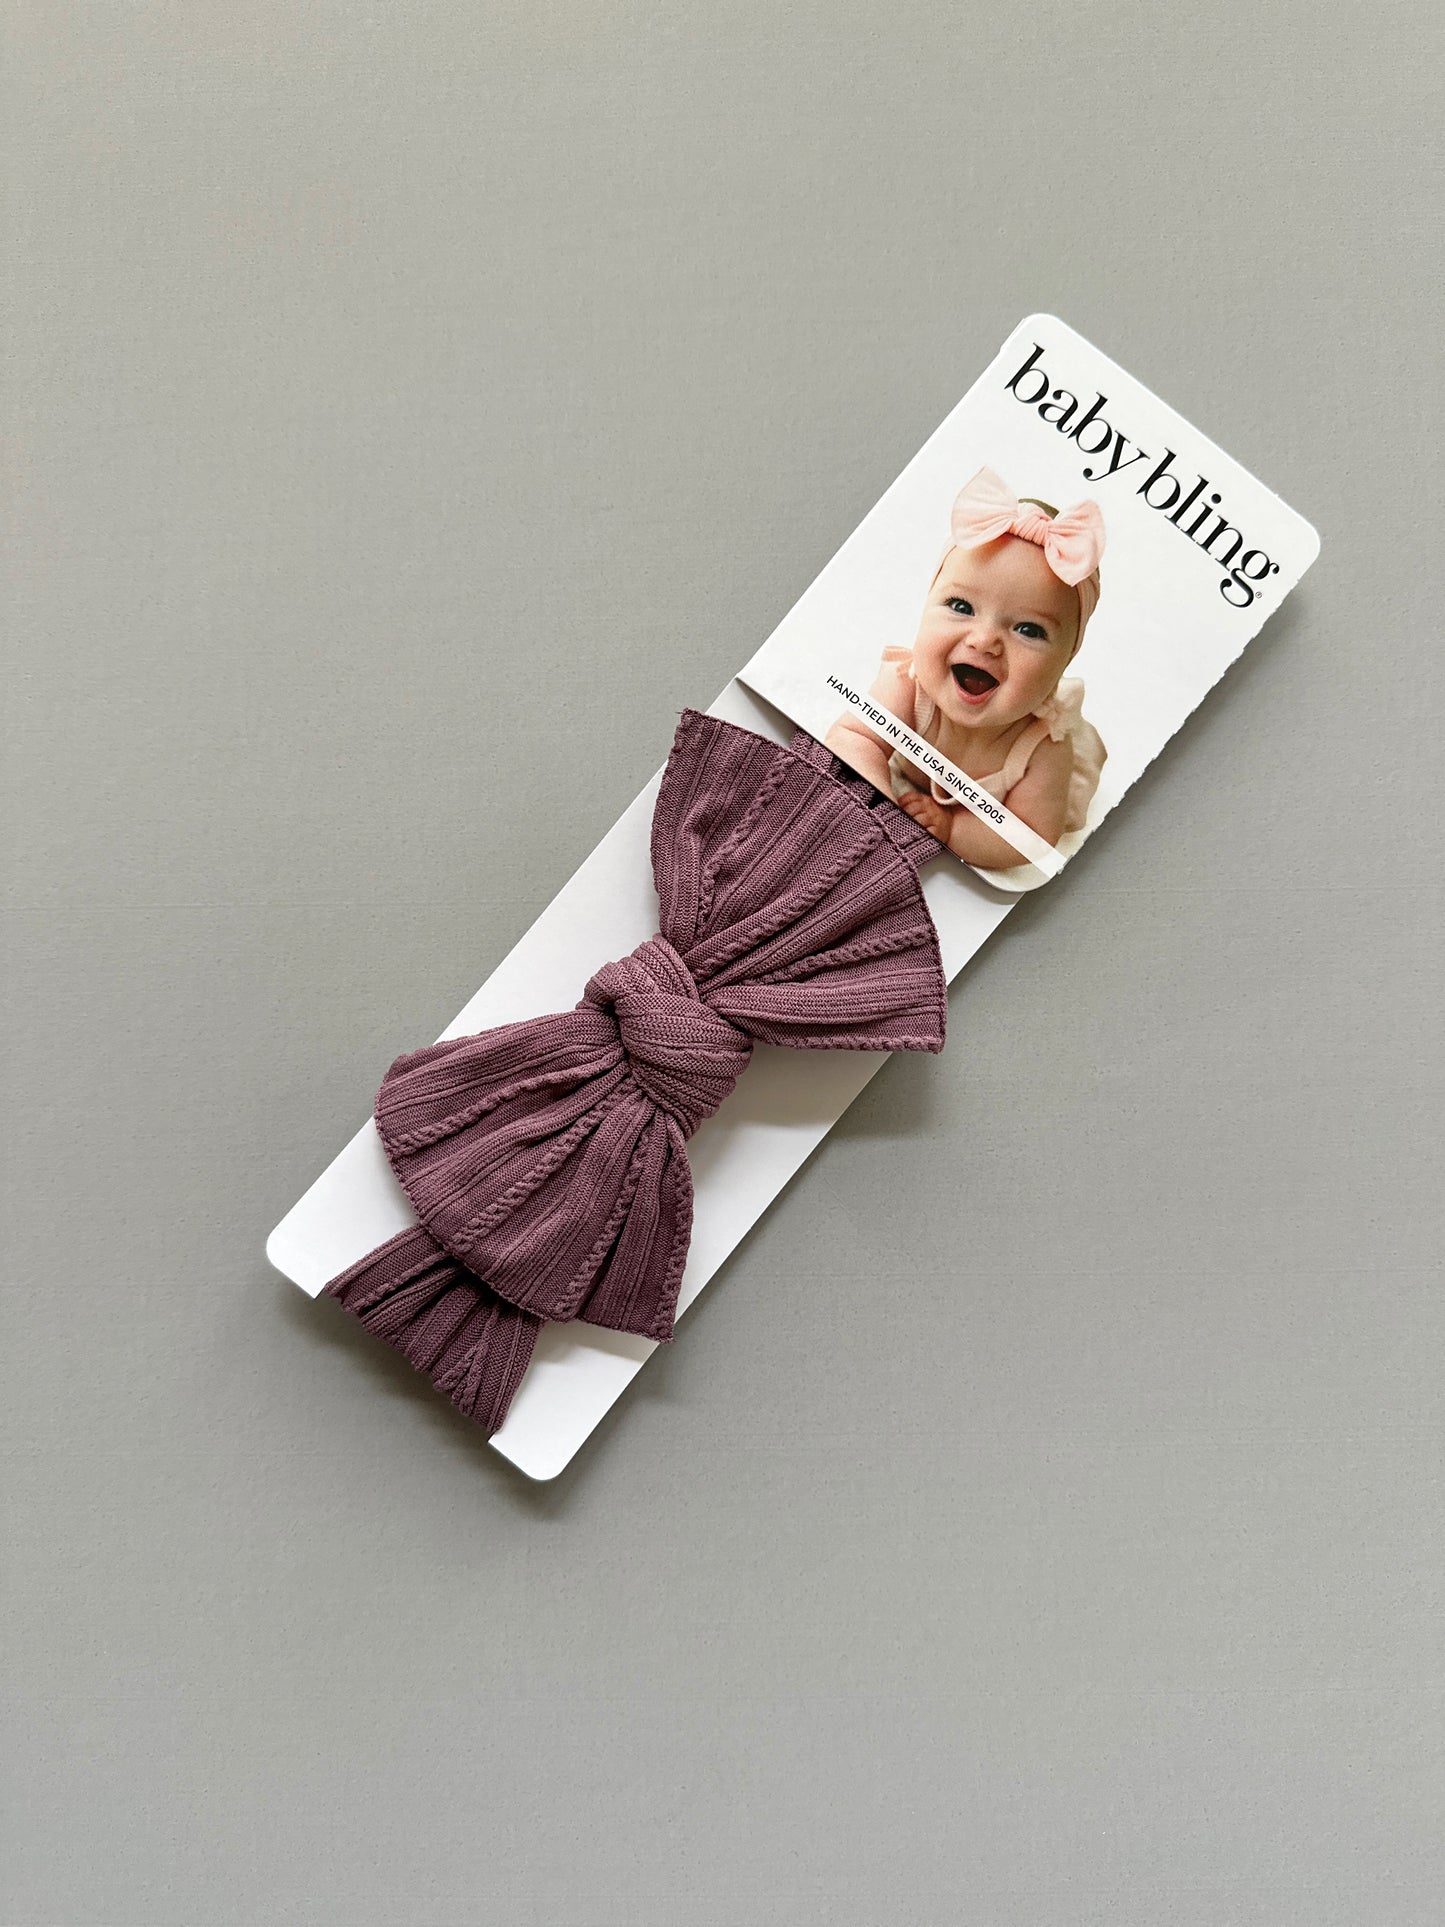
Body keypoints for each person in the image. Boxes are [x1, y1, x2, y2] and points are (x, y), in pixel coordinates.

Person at [825, 467, 1107, 871]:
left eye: (1028, 630)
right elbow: (853, 738)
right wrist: (878, 804)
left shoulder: (1042, 747)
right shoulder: (909, 685)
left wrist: (953, 829)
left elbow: (1030, 837)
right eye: (961, 606)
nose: (983, 640)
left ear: (1066, 662)